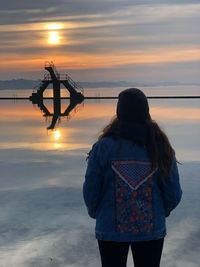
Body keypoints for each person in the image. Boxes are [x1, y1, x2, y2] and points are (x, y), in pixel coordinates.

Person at [83, 88, 182, 267]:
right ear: (146, 111)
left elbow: (91, 190)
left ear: (119, 112)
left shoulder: (103, 147)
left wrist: (94, 212)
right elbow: (173, 193)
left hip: (109, 230)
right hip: (151, 231)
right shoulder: (160, 146)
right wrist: (162, 212)